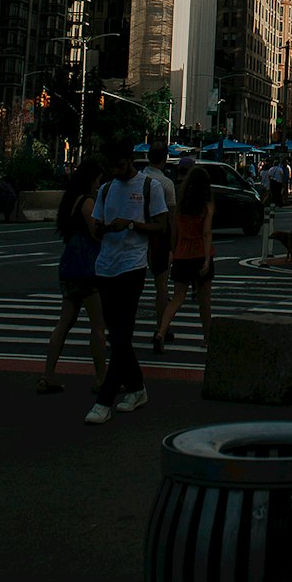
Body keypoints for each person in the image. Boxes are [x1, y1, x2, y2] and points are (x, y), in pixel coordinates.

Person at [85, 135, 168, 424]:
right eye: (110, 166)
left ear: (130, 160)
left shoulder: (149, 186)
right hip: (105, 264)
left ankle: (104, 401)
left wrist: (131, 224)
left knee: (122, 333)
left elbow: (161, 225)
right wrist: (101, 228)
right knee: (116, 335)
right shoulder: (107, 190)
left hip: (132, 265)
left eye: (119, 165)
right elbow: (95, 226)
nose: (115, 170)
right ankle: (136, 388)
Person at [36, 158, 107, 395]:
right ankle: (101, 378)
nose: (99, 184)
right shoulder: (88, 204)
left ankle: (48, 375)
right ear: (91, 180)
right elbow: (96, 235)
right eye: (98, 180)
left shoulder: (70, 202)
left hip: (69, 268)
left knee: (64, 323)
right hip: (87, 269)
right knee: (98, 325)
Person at [153, 165, 214, 351]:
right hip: (200, 252)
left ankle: (161, 332)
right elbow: (206, 232)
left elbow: (174, 233)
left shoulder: (181, 206)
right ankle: (207, 337)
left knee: (177, 298)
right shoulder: (206, 205)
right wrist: (205, 259)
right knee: (204, 301)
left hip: (182, 253)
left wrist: (173, 251)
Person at [141, 140, 176, 338]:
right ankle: (161, 328)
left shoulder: (138, 179)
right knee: (161, 285)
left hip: (136, 237)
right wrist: (174, 244)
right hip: (158, 239)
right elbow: (171, 217)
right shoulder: (166, 184)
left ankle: (120, 328)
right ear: (165, 158)